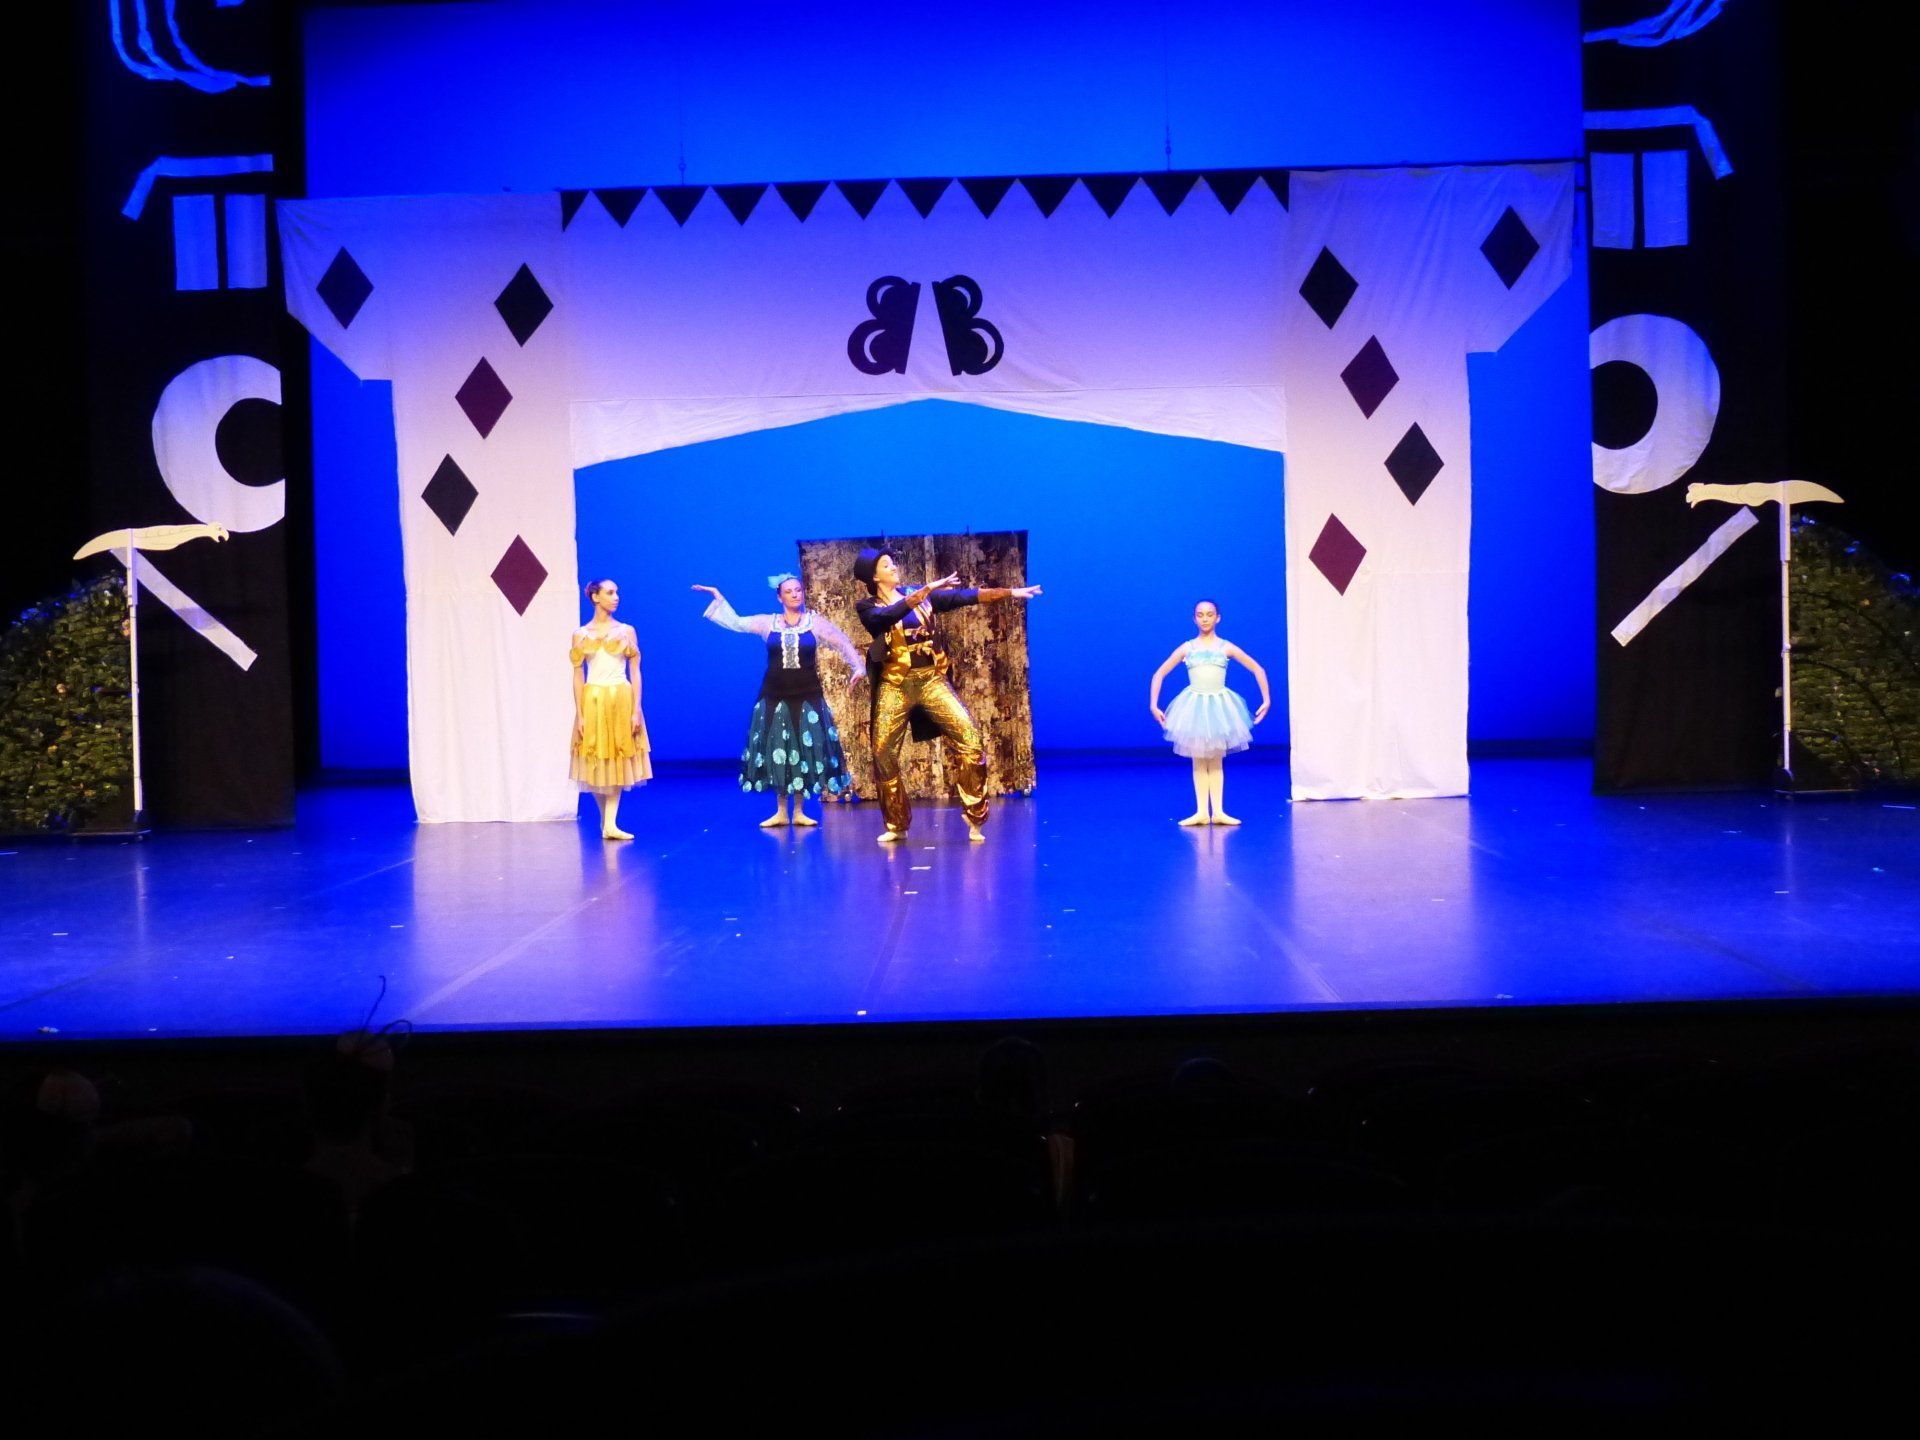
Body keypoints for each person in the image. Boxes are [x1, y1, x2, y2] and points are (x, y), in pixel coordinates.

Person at [853, 546, 1042, 845]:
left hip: (930, 680)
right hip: (895, 685)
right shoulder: (867, 606)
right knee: (883, 754)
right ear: (874, 577)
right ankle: (897, 823)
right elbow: (885, 618)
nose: (894, 568)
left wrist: (1010, 593)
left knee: (970, 739)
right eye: (886, 566)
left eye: (892, 563)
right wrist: (925, 591)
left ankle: (975, 816)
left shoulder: (920, 595)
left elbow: (964, 597)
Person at [692, 573, 865, 826]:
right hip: (774, 693)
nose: (795, 594)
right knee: (778, 749)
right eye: (789, 591)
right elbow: (737, 622)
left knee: (804, 749)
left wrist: (858, 667)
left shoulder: (814, 623)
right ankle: (781, 811)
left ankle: (799, 811)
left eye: (798, 590)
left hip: (806, 694)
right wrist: (719, 597)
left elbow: (842, 642)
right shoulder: (768, 623)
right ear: (779, 597)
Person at [1148, 599, 1270, 825]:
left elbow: (1257, 668)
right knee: (1198, 760)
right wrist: (1153, 704)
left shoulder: (1226, 647)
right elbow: (1159, 673)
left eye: (1209, 614)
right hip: (1194, 708)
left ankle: (1219, 811)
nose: (1205, 618)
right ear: (1194, 618)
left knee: (1215, 761)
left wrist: (1266, 699)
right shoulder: (1187, 648)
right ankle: (1202, 811)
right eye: (1200, 614)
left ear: (1218, 618)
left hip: (1219, 709)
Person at [571, 578, 649, 840]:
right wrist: (580, 714)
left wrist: (636, 708)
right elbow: (577, 675)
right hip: (593, 698)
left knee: (617, 756)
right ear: (596, 597)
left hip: (619, 697)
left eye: (617, 592)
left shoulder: (626, 631)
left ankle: (611, 822)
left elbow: (635, 672)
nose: (616, 597)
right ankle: (606, 821)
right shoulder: (581, 634)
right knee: (595, 759)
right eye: (610, 592)